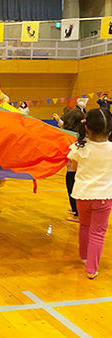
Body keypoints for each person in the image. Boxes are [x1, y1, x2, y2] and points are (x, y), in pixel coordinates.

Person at [67, 108, 112, 279]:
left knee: (84, 226)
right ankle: (92, 269)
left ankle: (84, 256)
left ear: (86, 128)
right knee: (98, 233)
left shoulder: (79, 147)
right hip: (103, 197)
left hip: (82, 195)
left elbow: (75, 169)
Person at [58, 109, 85, 222]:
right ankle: (79, 211)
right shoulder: (83, 134)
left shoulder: (70, 136)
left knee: (73, 192)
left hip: (73, 170)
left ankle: (77, 214)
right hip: (84, 171)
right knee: (79, 192)